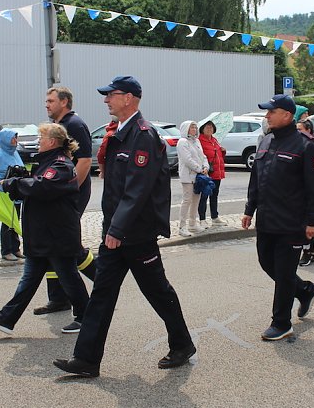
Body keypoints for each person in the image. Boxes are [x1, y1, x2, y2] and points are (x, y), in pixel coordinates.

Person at [54, 75, 195, 378]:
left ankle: (182, 344)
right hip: (115, 232)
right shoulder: (119, 133)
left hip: (136, 232)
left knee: (157, 291)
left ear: (129, 98)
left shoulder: (143, 136)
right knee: (102, 293)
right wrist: (111, 230)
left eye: (111, 94)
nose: (106, 99)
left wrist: (117, 230)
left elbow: (137, 190)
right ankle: (86, 359)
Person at [0, 123, 91, 336]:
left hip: (56, 236)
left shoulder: (60, 165)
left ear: (52, 142)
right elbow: (37, 187)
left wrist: (14, 183)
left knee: (69, 278)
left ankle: (87, 317)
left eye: (41, 139)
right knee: (29, 280)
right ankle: (6, 319)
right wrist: (22, 181)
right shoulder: (49, 163)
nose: (38, 143)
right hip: (44, 236)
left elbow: (42, 187)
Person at [242, 94, 314, 341]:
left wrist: (313, 221)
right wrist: (250, 209)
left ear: (287, 115)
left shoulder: (306, 145)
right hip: (267, 218)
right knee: (267, 263)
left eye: (271, 111)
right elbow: (256, 179)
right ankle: (305, 290)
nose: (266, 115)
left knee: (285, 270)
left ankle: (281, 322)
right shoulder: (265, 141)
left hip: (293, 222)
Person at [34, 86, 96, 317]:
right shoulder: (61, 126)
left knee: (68, 246)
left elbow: (85, 161)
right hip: (59, 193)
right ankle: (58, 298)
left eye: (51, 100)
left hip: (72, 194)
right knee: (54, 245)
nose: (46, 104)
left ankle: (102, 282)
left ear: (64, 102)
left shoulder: (75, 125)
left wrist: (68, 190)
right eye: (46, 100)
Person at [0, 129, 24, 261]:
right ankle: (6, 250)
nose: (16, 141)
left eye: (16, 138)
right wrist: (2, 190)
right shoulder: (0, 156)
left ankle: (15, 248)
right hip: (6, 193)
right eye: (13, 138)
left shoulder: (14, 152)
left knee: (15, 221)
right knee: (7, 222)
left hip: (16, 191)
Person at [176, 120, 209, 237]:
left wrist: (206, 166)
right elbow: (187, 159)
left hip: (198, 176)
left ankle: (192, 223)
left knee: (196, 200)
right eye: (192, 127)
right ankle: (182, 226)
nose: (194, 129)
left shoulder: (197, 141)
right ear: (186, 129)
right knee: (187, 200)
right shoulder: (182, 142)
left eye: (195, 127)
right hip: (188, 176)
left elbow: (203, 156)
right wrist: (199, 168)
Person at [297, 118, 314, 266]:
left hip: (308, 195)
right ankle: (310, 252)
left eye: (300, 130)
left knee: (307, 225)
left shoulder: (312, 146)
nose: (297, 133)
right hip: (296, 195)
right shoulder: (295, 146)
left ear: (308, 130)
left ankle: (309, 252)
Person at [198, 120, 225, 227]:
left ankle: (215, 217)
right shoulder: (199, 141)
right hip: (207, 173)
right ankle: (202, 219)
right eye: (207, 127)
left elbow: (218, 155)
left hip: (217, 172)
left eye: (211, 127)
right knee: (204, 196)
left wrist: (222, 151)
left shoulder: (215, 140)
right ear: (202, 129)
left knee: (214, 195)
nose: (210, 129)